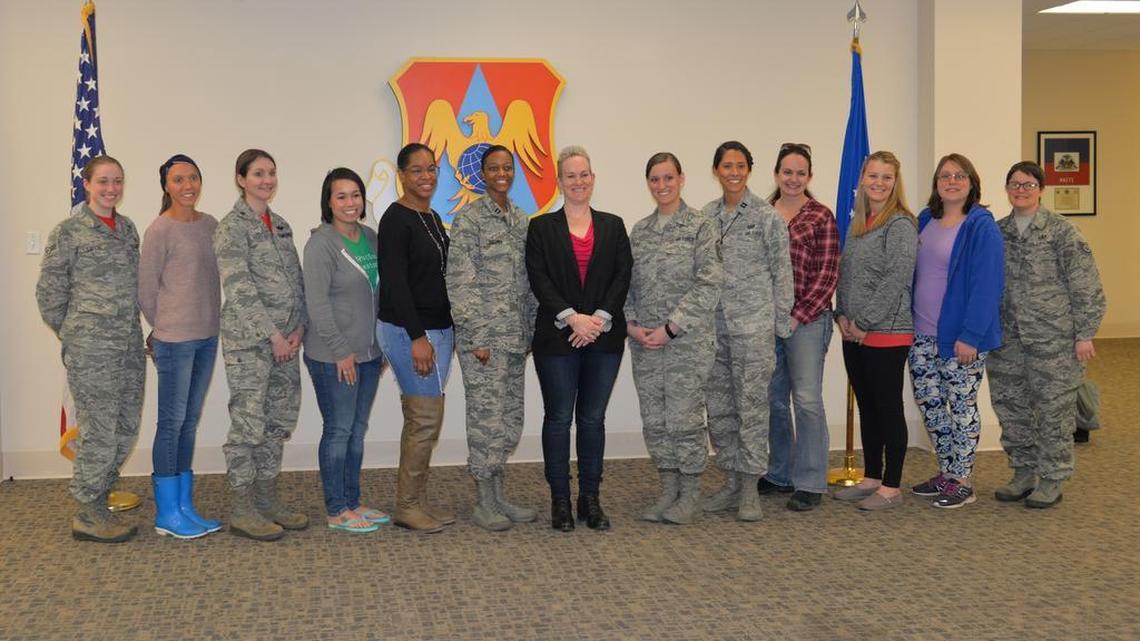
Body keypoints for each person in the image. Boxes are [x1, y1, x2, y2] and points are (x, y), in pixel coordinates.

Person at [37, 155, 145, 543]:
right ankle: (88, 511)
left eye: (117, 181)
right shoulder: (68, 232)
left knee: (126, 426)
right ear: (87, 184)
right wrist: (75, 334)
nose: (111, 189)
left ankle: (103, 494)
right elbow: (49, 293)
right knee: (99, 430)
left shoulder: (128, 229)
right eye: (103, 181)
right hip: (92, 350)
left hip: (129, 346)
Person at [526, 145, 631, 532]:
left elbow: (622, 276)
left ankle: (590, 498)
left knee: (591, 420)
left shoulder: (614, 225)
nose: (578, 181)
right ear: (559, 181)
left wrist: (598, 320)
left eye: (584, 174)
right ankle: (559, 500)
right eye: (570, 175)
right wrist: (573, 319)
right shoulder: (540, 228)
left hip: (603, 339)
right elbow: (540, 280)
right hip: (556, 339)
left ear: (593, 177)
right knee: (557, 419)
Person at [988, 160, 1105, 508]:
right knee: (1013, 408)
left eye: (1027, 184)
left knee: (1054, 411)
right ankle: (1023, 473)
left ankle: (1052, 478)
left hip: (1053, 341)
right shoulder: (997, 232)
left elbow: (1087, 286)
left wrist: (1085, 333)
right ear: (1007, 189)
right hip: (1007, 340)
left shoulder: (1062, 232)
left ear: (1041, 188)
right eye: (1014, 184)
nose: (1020, 190)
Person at [215, 149, 308, 540]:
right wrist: (272, 335)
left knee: (277, 423)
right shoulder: (231, 227)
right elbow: (239, 289)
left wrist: (298, 329)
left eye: (271, 173)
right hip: (251, 344)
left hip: (287, 343)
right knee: (248, 424)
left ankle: (268, 499)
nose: (266, 180)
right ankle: (242, 508)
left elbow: (296, 282)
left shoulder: (280, 225)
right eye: (257, 174)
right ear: (241, 179)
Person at [626, 152, 722, 525]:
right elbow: (627, 286)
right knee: (655, 420)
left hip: (686, 344)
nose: (662, 185)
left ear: (681, 179)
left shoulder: (701, 227)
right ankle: (667, 489)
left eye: (668, 178)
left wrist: (671, 328)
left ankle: (690, 494)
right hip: (645, 343)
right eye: (655, 179)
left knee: (684, 420)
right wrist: (631, 325)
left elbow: (708, 284)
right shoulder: (640, 231)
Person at [701, 141, 794, 522]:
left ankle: (751, 488)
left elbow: (782, 271)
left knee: (751, 409)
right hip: (713, 329)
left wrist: (780, 323)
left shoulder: (766, 216)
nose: (734, 172)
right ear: (716, 170)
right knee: (720, 410)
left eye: (740, 165)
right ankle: (731, 481)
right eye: (727, 165)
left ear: (749, 170)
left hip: (753, 329)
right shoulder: (705, 217)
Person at [447, 145, 538, 531]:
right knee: (485, 420)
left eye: (507, 167)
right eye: (494, 168)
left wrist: (532, 328)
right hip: (484, 342)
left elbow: (533, 281)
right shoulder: (469, 220)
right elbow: (459, 281)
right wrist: (477, 335)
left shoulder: (522, 219)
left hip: (516, 340)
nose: (501, 173)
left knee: (508, 420)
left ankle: (500, 495)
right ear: (481, 174)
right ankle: (485, 501)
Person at [909, 153, 1004, 508]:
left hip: (961, 338)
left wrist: (971, 336)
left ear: (971, 182)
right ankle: (947, 472)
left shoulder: (982, 227)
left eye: (959, 175)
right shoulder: (924, 220)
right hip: (920, 334)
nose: (952, 181)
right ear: (936, 183)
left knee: (961, 407)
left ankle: (962, 480)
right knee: (931, 405)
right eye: (945, 175)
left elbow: (987, 285)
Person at [138, 154, 222, 539]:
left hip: (207, 336)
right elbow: (146, 290)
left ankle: (185, 506)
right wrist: (165, 325)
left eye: (193, 177)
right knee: (170, 424)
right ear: (166, 186)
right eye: (178, 179)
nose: (187, 185)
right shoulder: (160, 229)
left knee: (189, 422)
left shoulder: (210, 226)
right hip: (175, 340)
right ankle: (166, 514)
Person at [831, 151, 918, 511]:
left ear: (895, 183)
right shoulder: (859, 224)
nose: (879, 183)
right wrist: (842, 316)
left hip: (886, 331)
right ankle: (871, 477)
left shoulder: (900, 224)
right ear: (862, 180)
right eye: (873, 176)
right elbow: (848, 276)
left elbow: (894, 280)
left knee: (887, 408)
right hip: (854, 331)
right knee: (867, 406)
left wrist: (863, 322)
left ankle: (892, 486)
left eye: (886, 177)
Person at [302, 167, 387, 533]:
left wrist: (379, 346)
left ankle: (353, 501)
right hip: (333, 356)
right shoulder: (320, 244)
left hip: (368, 355)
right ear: (329, 202)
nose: (350, 203)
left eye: (355, 195)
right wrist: (341, 350)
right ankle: (336, 509)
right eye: (341, 196)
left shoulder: (371, 238)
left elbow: (380, 296)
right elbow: (317, 304)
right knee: (338, 430)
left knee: (357, 429)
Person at [377, 143, 455, 534]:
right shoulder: (396, 219)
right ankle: (406, 506)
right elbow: (396, 284)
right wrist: (417, 336)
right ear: (402, 175)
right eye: (417, 171)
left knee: (428, 418)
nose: (426, 177)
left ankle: (418, 500)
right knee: (424, 418)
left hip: (438, 329)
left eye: (431, 169)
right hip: (411, 332)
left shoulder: (432, 217)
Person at [762, 143, 840, 511]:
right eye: (787, 172)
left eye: (800, 172)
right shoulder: (761, 214)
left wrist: (795, 316)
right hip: (766, 323)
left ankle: (810, 481)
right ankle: (780, 473)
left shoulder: (820, 216)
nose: (793, 179)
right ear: (777, 174)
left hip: (807, 321)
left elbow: (827, 275)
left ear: (809, 176)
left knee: (806, 400)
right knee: (774, 401)